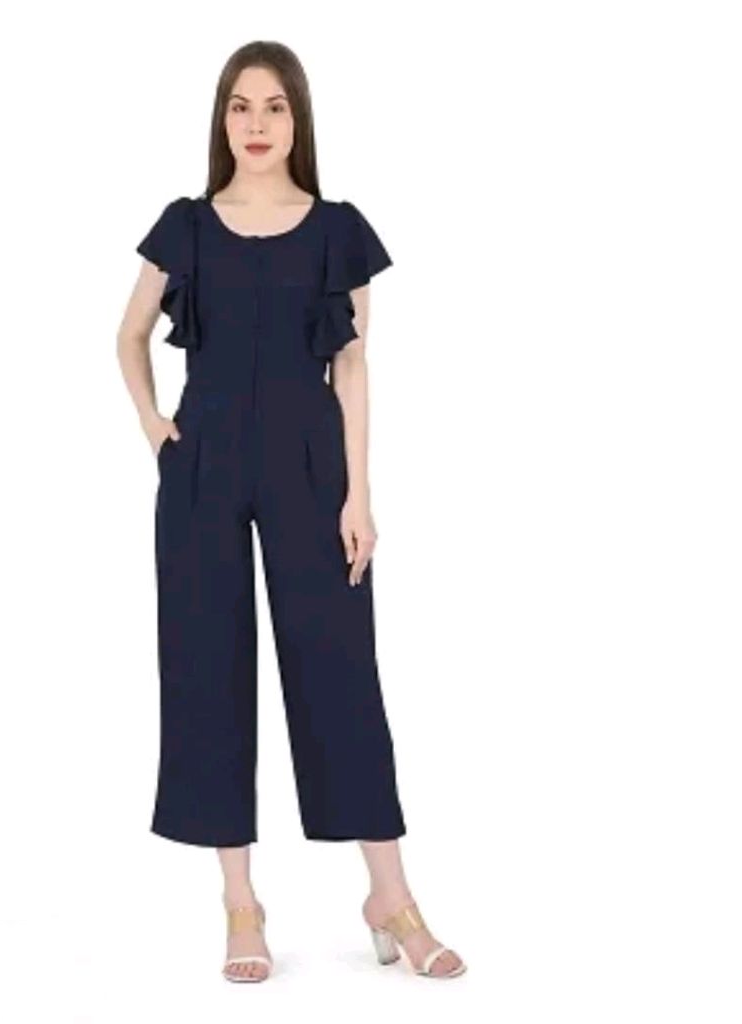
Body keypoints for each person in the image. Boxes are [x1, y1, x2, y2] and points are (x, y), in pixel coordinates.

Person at [117, 40, 466, 983]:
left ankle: (391, 897)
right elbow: (129, 333)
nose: (257, 124)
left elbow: (351, 364)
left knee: (340, 672)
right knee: (206, 669)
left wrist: (360, 492)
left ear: (298, 118)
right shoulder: (186, 224)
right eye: (241, 106)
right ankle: (241, 902)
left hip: (312, 464)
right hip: (202, 464)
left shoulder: (337, 229)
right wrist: (155, 426)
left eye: (274, 106)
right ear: (221, 119)